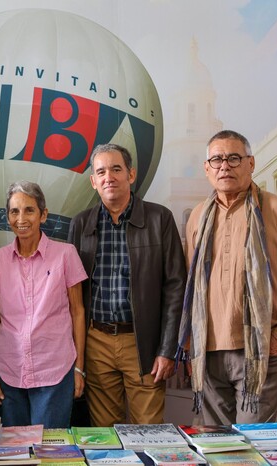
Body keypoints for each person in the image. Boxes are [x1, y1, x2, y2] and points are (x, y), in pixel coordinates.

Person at [180, 130, 277, 424]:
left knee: (253, 446)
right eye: (217, 159)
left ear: (251, 163)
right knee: (216, 446)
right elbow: (190, 285)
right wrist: (191, 342)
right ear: (207, 168)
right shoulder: (198, 217)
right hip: (208, 352)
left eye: (234, 158)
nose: (225, 166)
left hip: (261, 350)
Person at [68, 143, 186, 426]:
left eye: (116, 169)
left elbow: (175, 288)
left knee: (149, 431)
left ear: (131, 175)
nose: (109, 176)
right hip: (96, 341)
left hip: (142, 342)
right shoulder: (80, 224)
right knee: (104, 433)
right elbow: (70, 293)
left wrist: (167, 349)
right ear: (93, 181)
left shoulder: (160, 219)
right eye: (101, 171)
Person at [0, 181, 87, 428]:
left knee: (50, 452)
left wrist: (79, 368)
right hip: (9, 370)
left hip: (55, 369)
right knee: (14, 452)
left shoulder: (66, 254)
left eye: (29, 210)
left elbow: (78, 312)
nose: (22, 218)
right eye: (14, 211)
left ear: (43, 214)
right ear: (7, 216)